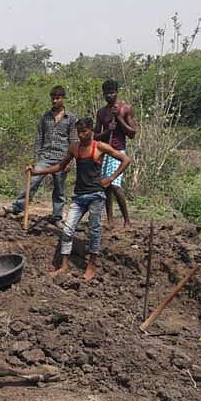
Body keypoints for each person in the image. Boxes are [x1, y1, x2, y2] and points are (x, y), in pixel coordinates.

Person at [28, 117, 131, 281]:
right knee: (68, 229)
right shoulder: (75, 148)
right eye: (79, 132)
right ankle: (64, 265)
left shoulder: (100, 147)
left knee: (94, 230)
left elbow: (126, 160)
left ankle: (91, 266)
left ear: (91, 131)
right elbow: (60, 166)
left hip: (96, 195)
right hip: (79, 196)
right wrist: (37, 172)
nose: (81, 135)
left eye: (84, 132)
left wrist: (110, 178)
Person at [11, 85, 77, 223]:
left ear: (63, 99)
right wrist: (35, 159)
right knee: (33, 181)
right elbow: (39, 138)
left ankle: (57, 217)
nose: (54, 101)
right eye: (53, 98)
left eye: (57, 98)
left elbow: (73, 141)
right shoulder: (45, 117)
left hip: (62, 158)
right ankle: (17, 208)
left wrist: (69, 162)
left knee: (59, 190)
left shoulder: (70, 118)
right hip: (45, 156)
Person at [94, 80, 137, 227]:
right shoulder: (101, 112)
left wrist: (119, 118)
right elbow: (95, 136)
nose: (109, 96)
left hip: (118, 152)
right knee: (105, 186)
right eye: (106, 94)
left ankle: (127, 220)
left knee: (115, 185)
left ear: (117, 92)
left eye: (112, 93)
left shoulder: (126, 108)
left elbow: (132, 133)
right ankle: (110, 219)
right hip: (104, 150)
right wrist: (108, 130)